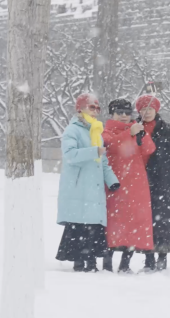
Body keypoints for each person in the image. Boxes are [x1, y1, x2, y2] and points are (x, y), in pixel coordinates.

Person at [56, 93, 120, 273]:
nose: (95, 111)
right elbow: (70, 155)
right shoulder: (72, 130)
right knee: (78, 225)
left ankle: (91, 262)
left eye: (97, 108)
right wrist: (94, 151)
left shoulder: (96, 131)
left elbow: (103, 161)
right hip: (78, 187)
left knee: (92, 226)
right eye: (91, 107)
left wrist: (112, 181)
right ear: (80, 109)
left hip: (94, 188)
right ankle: (78, 262)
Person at [136, 94, 170, 272]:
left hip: (164, 182)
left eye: (150, 109)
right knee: (145, 220)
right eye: (143, 109)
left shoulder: (169, 130)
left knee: (164, 221)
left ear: (156, 110)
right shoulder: (134, 128)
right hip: (140, 182)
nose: (147, 112)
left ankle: (162, 257)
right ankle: (148, 258)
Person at [101, 99, 156, 273]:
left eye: (127, 113)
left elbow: (149, 150)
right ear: (112, 114)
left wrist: (142, 136)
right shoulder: (105, 130)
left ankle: (125, 262)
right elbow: (111, 145)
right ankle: (107, 262)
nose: (124, 116)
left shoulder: (136, 128)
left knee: (134, 223)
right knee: (112, 223)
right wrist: (128, 134)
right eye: (119, 112)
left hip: (136, 184)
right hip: (115, 183)